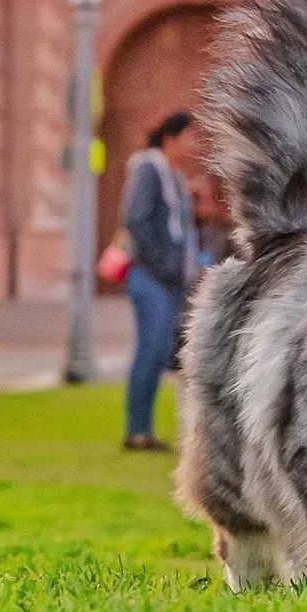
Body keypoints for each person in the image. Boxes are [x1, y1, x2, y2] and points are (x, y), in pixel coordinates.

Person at [120, 111, 199, 451]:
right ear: (170, 138)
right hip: (150, 277)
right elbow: (135, 220)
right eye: (190, 137)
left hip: (171, 280)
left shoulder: (176, 177)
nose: (195, 145)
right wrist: (163, 264)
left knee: (165, 353)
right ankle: (136, 430)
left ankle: (146, 430)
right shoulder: (148, 168)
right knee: (149, 351)